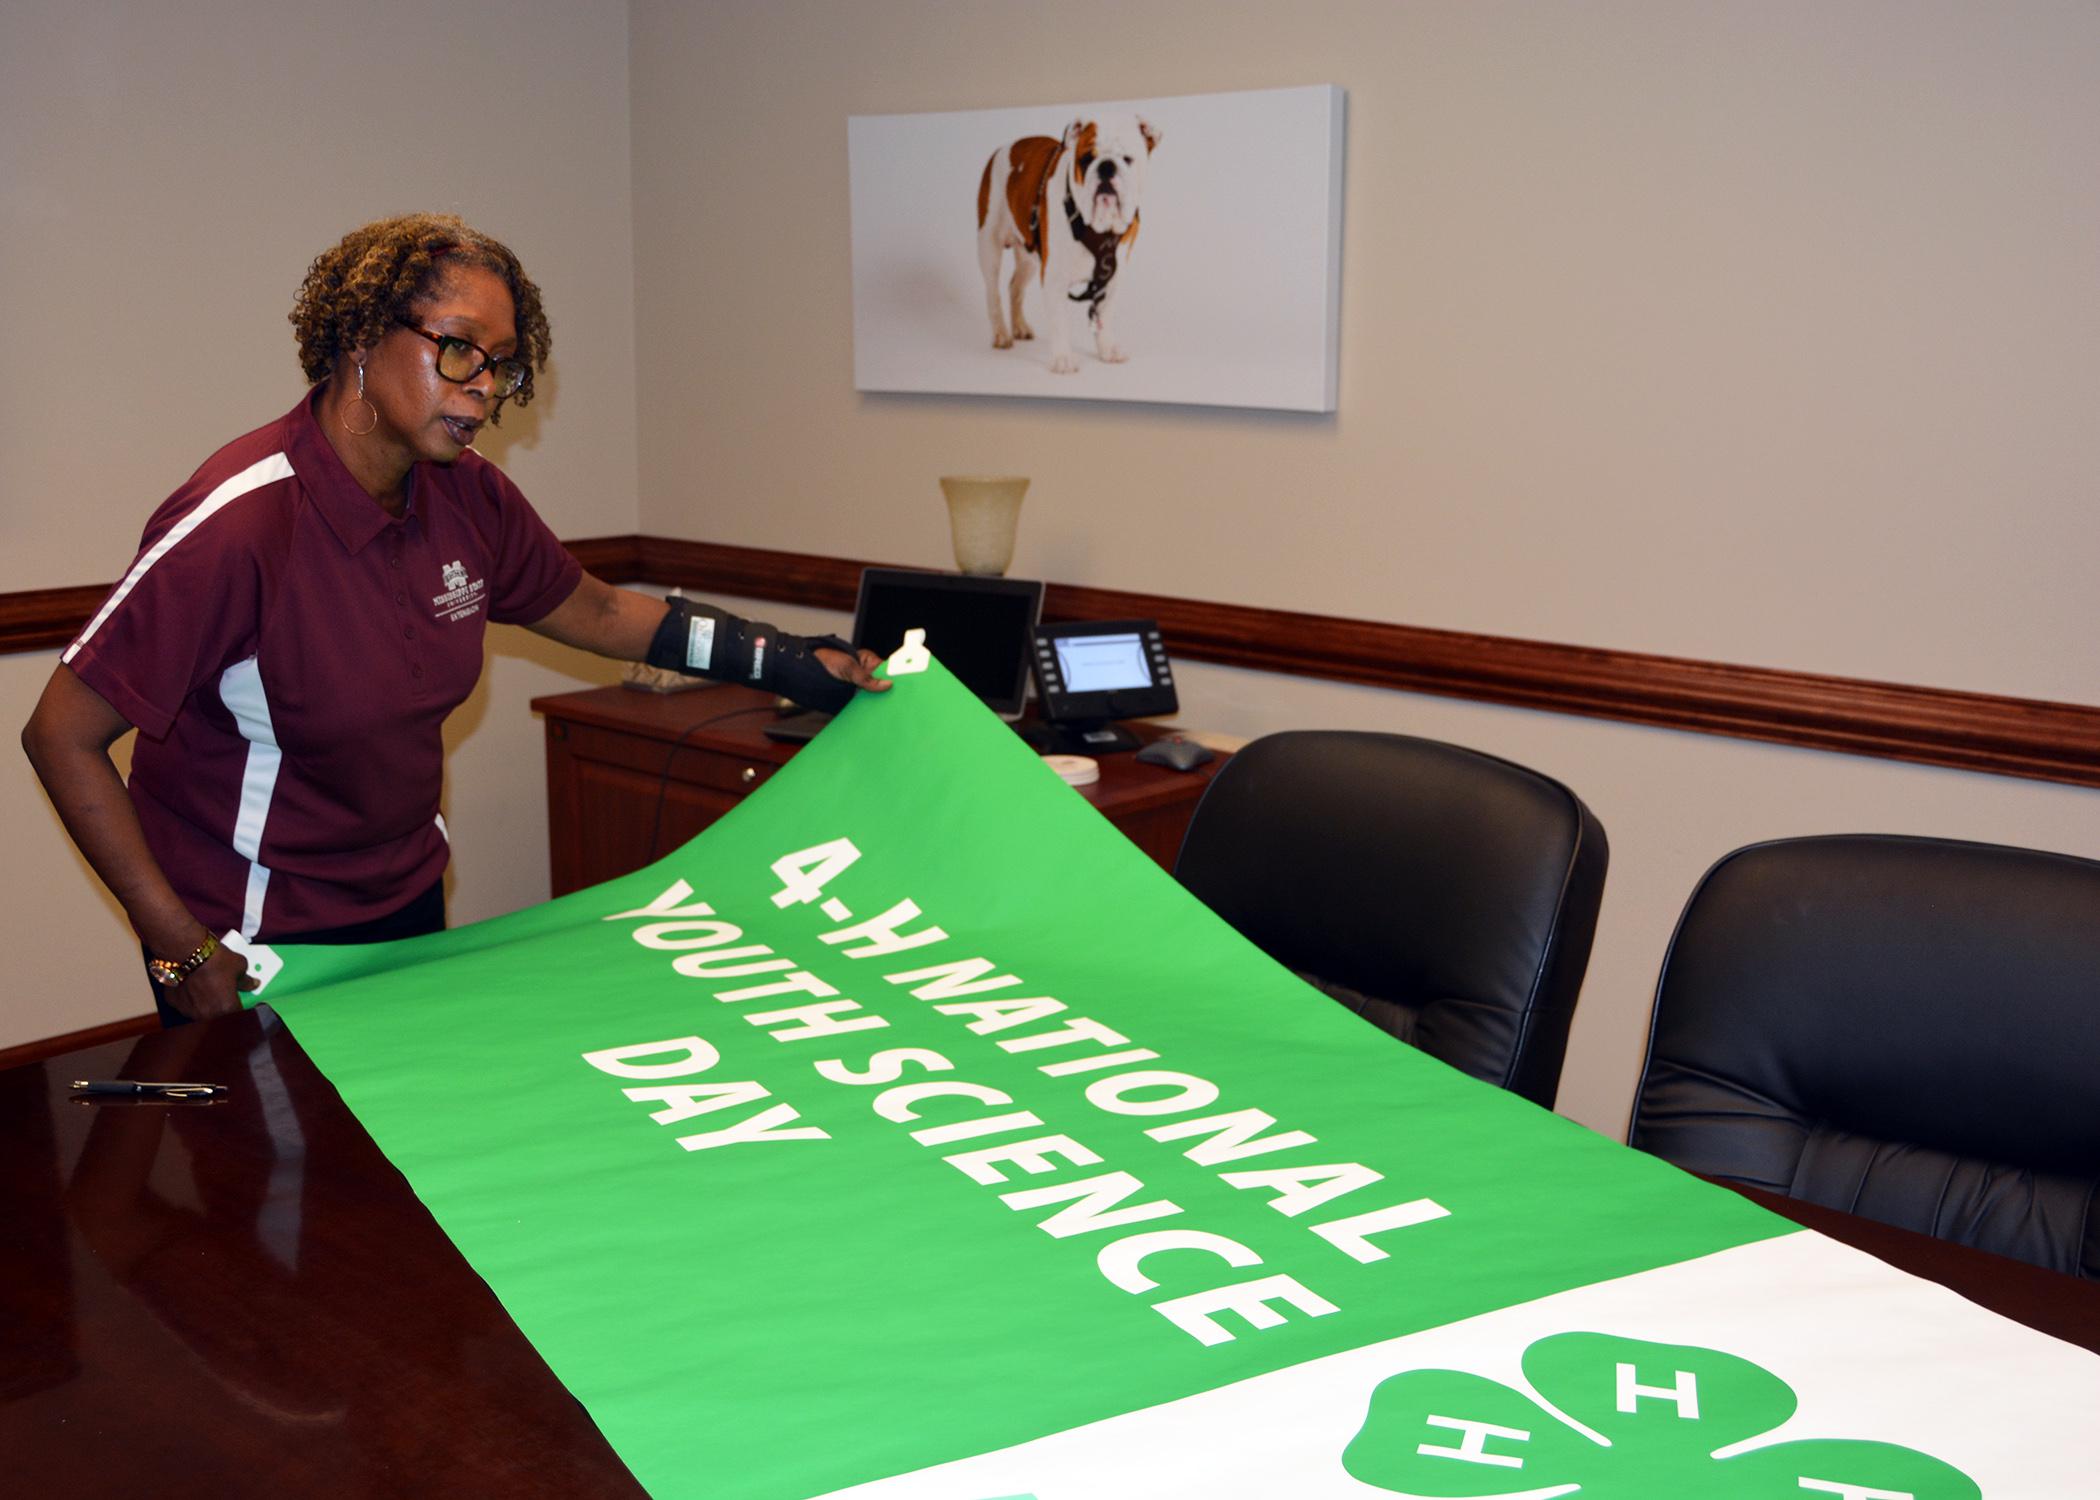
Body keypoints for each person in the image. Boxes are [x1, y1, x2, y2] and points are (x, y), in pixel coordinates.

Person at [21, 213, 886, 1027]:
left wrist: (785, 659)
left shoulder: (465, 494)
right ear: (361, 336)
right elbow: (61, 736)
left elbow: (598, 610)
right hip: (253, 938)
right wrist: (178, 946)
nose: (482, 392)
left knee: (402, 1177)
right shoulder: (240, 523)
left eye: (501, 365)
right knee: (284, 1184)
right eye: (458, 350)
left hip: (404, 907)